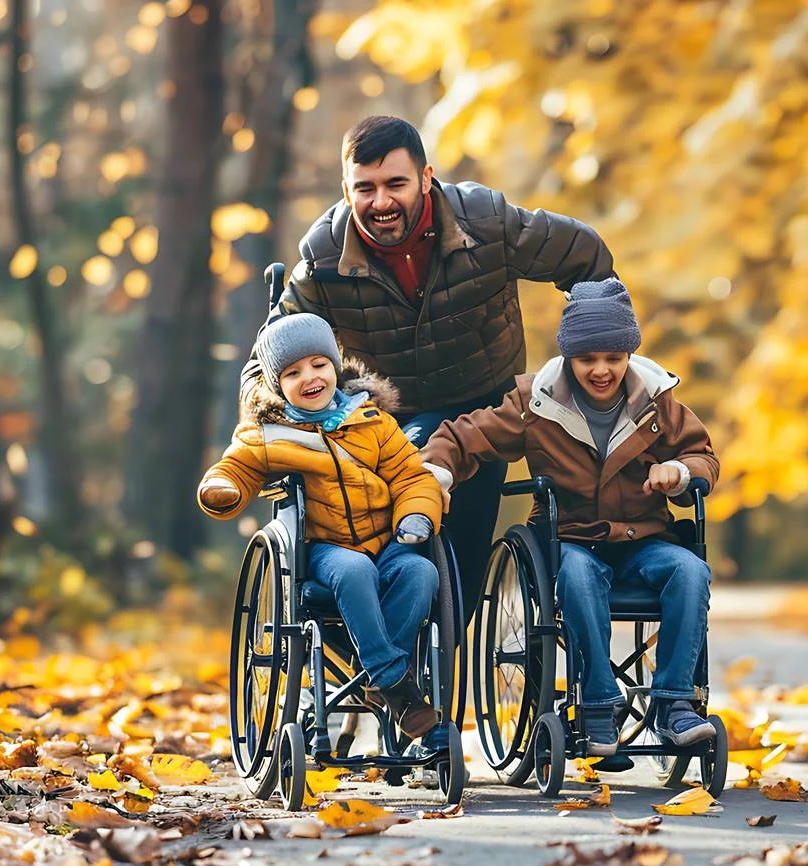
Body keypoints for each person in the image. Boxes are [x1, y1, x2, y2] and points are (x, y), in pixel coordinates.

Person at [241, 114, 615, 607]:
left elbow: (584, 255)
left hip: (481, 409)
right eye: (365, 188)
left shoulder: (486, 222)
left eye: (396, 184)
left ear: (425, 177)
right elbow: (267, 357)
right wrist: (271, 419)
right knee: (367, 542)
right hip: (382, 422)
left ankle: (413, 658)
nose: (381, 203)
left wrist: (591, 359)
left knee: (462, 572)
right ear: (346, 188)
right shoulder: (323, 258)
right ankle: (383, 652)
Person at [419, 278, 720, 756]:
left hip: (644, 538)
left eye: (614, 359)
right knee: (577, 576)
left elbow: (702, 456)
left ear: (629, 354)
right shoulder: (536, 402)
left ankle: (675, 704)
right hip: (570, 539)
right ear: (568, 358)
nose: (601, 371)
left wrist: (680, 472)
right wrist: (437, 470)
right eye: (587, 360)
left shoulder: (657, 400)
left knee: (690, 571)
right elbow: (463, 436)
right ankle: (598, 703)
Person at [200, 313, 444, 740]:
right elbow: (235, 465)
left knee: (421, 571)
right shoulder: (270, 434)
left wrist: (416, 514)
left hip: (387, 541)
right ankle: (393, 683)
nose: (309, 377)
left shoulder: (372, 422)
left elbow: (411, 476)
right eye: (292, 372)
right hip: (322, 549)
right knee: (354, 570)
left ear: (336, 365)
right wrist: (222, 487)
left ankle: (378, 677)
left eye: (318, 364)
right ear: (277, 385)